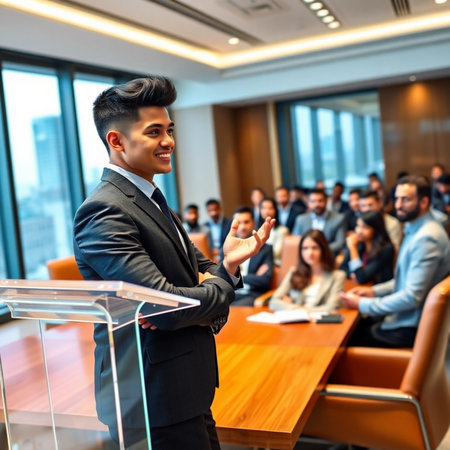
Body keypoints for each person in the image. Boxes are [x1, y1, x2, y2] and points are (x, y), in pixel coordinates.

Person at [73, 76, 274, 450]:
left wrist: (225, 267)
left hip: (184, 386)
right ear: (116, 141)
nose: (168, 142)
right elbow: (167, 307)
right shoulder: (104, 211)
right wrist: (213, 286)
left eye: (169, 129)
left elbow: (197, 278)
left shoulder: (150, 198)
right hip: (151, 398)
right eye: (154, 132)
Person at [339, 175, 450, 348]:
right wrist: (373, 292)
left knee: (346, 337)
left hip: (412, 327)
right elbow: (405, 280)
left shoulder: (427, 237)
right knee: (355, 326)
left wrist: (364, 304)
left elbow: (412, 297)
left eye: (405, 200)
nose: (398, 205)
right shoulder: (415, 228)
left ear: (424, 202)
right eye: (397, 199)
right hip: (407, 319)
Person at [269, 229, 345, 312]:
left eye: (315, 248)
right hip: (295, 321)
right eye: (305, 248)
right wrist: (295, 308)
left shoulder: (338, 276)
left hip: (320, 323)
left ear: (323, 249)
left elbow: (331, 308)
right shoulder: (294, 272)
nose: (309, 253)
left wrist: (295, 308)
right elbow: (273, 302)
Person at [231, 206, 274, 306]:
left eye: (246, 222)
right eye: (239, 223)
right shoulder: (228, 247)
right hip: (231, 294)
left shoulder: (265, 249)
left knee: (230, 310)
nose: (242, 227)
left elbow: (264, 280)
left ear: (253, 223)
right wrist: (251, 277)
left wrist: (236, 277)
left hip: (252, 295)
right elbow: (222, 277)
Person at [340, 210, 395, 284]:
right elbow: (342, 269)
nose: (359, 231)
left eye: (365, 227)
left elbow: (361, 277)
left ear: (376, 229)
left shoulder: (386, 249)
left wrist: (353, 248)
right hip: (361, 287)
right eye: (358, 226)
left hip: (378, 291)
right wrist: (352, 274)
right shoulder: (359, 243)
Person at [292, 188, 346, 257]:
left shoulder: (338, 218)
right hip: (306, 257)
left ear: (326, 201)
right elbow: (295, 241)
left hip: (328, 257)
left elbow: (340, 243)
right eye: (313, 201)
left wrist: (318, 250)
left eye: (320, 201)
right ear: (308, 203)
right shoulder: (301, 219)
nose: (317, 204)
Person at [259, 197, 290, 266]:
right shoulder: (257, 230)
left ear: (275, 210)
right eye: (263, 208)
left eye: (270, 208)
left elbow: (276, 253)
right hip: (259, 263)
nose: (266, 211)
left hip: (274, 264)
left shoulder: (282, 230)